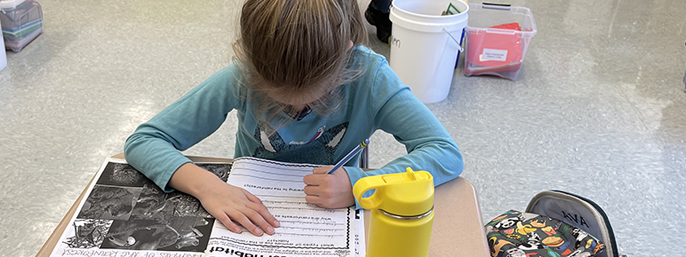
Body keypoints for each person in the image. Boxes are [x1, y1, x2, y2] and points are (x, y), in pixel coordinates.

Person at [124, 0, 463, 237]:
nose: (297, 112)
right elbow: (144, 140)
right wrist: (208, 187)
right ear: (252, 60)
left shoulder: (370, 77)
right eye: (277, 98)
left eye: (316, 97)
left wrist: (362, 184)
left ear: (346, 52)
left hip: (335, 219)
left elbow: (445, 154)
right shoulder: (242, 76)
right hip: (251, 215)